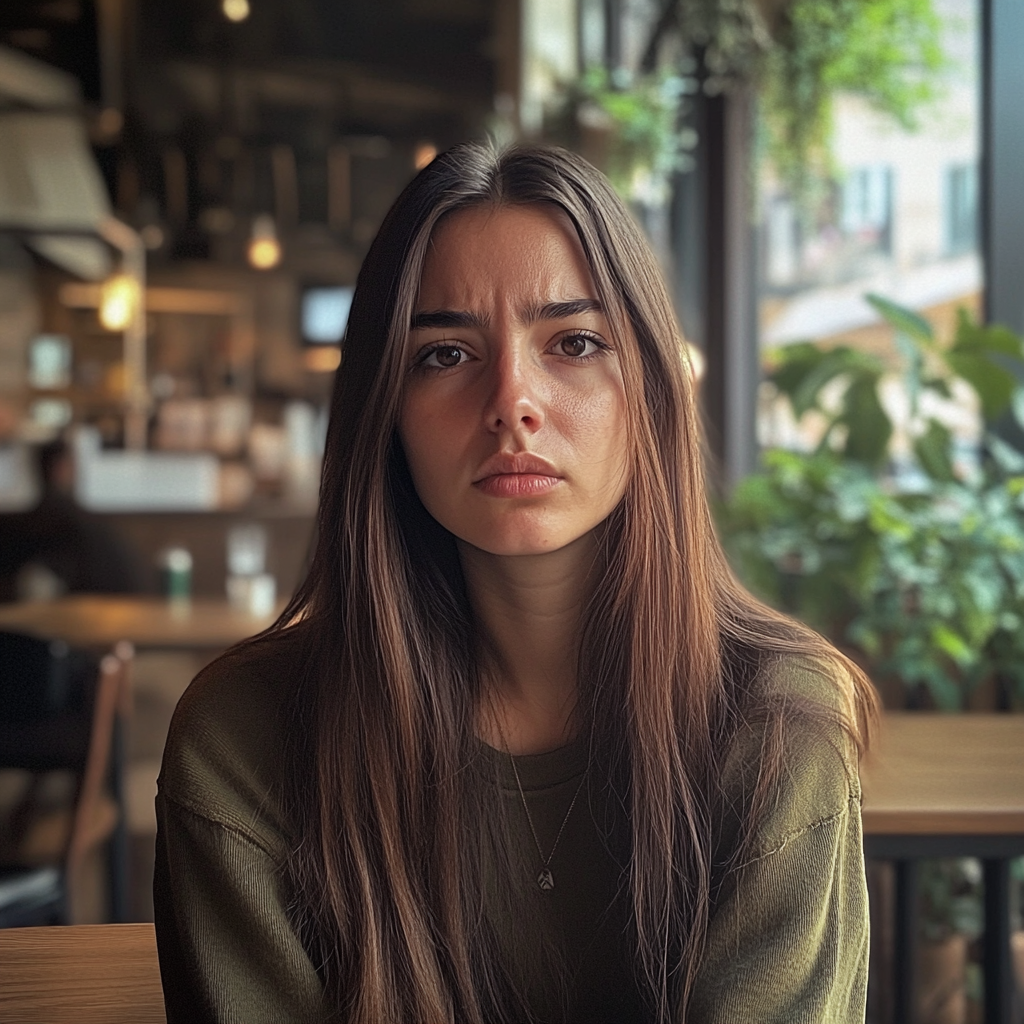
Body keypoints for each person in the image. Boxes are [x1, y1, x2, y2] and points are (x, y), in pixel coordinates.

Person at [154, 143, 879, 1024]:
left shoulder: (776, 726)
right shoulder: (246, 742)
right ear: (385, 412)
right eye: (446, 354)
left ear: (649, 393)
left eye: (573, 343)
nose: (512, 401)